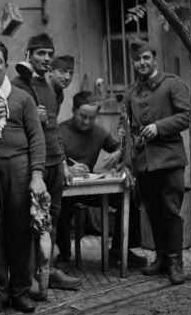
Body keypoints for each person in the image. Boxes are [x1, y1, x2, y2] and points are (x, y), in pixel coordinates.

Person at [0, 41, 47, 315]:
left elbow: (36, 137)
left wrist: (37, 175)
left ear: (5, 64)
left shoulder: (21, 97)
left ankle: (20, 291)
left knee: (20, 231)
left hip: (19, 167)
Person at [11, 33, 81, 292]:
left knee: (50, 221)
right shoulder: (17, 85)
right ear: (28, 55)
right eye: (41, 53)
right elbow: (12, 127)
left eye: (50, 54)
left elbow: (54, 131)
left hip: (54, 164)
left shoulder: (52, 89)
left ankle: (47, 270)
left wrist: (63, 162)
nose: (46, 59)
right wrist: (29, 115)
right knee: (30, 222)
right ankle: (26, 276)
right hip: (33, 165)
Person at [57, 91, 147, 269]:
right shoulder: (60, 132)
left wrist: (119, 152)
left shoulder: (98, 132)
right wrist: (67, 168)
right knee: (61, 208)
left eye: (92, 118)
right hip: (67, 189)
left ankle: (119, 251)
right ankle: (64, 255)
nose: (87, 122)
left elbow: (120, 147)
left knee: (128, 196)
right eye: (83, 117)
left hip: (90, 188)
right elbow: (53, 162)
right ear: (73, 110)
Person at [125, 40, 190, 285]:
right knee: (152, 212)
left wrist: (159, 127)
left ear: (154, 59)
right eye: (137, 59)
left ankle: (175, 263)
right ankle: (162, 258)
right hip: (144, 162)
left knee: (170, 211)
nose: (141, 63)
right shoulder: (131, 92)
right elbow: (129, 126)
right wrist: (128, 157)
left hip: (170, 160)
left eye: (145, 58)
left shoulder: (172, 84)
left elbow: (187, 115)